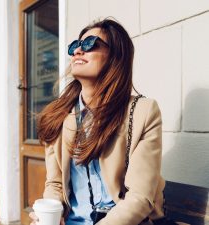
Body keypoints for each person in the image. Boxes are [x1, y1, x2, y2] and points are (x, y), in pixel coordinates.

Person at [29, 18, 169, 225]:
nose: (78, 51)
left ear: (115, 57)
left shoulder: (143, 112)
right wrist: (51, 213)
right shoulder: (57, 115)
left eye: (90, 44)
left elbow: (140, 198)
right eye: (75, 46)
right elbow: (55, 184)